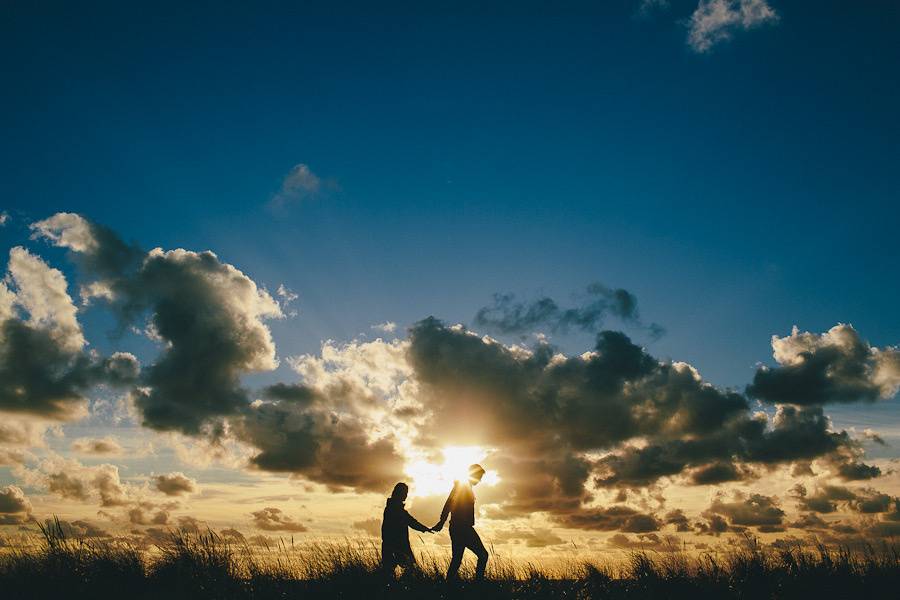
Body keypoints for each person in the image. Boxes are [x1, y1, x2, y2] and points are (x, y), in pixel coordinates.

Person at [432, 463, 488, 580]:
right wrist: (442, 522)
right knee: (483, 555)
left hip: (458, 528)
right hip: (462, 528)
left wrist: (442, 522)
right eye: (479, 477)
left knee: (457, 559)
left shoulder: (465, 487)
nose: (479, 480)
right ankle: (478, 584)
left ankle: (449, 584)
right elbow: (449, 503)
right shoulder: (461, 486)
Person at [381, 482, 431, 573]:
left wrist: (425, 528)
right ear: (398, 493)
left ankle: (399, 585)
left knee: (392, 570)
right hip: (397, 544)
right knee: (408, 568)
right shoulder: (395, 509)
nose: (406, 496)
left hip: (394, 544)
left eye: (406, 493)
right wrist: (425, 529)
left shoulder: (394, 508)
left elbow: (411, 521)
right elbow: (411, 522)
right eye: (404, 493)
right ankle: (401, 586)